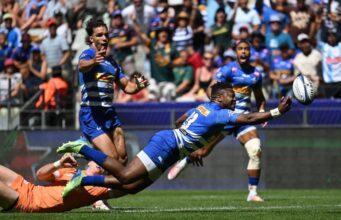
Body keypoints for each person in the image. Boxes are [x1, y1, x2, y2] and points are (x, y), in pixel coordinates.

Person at [56, 82, 291, 198]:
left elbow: (181, 120)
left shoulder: (204, 107)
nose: (235, 97)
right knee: (126, 175)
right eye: (231, 94)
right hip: (167, 145)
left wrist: (190, 144)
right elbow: (249, 116)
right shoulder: (220, 112)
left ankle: (82, 180)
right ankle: (83, 149)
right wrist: (276, 112)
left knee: (132, 187)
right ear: (219, 97)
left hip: (172, 146)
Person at [168, 40, 268, 202]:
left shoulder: (256, 75)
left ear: (250, 52)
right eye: (240, 49)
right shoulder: (228, 70)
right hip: (225, 118)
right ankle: (184, 160)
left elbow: (259, 97)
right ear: (236, 52)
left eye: (246, 49)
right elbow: (211, 88)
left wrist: (262, 112)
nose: (243, 52)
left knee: (255, 150)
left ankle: (252, 193)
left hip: (244, 120)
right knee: (202, 152)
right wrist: (216, 107)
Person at [77, 18, 149, 165]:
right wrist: (93, 62)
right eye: (99, 35)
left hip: (108, 113)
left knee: (122, 159)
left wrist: (138, 87)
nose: (104, 38)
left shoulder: (112, 63)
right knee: (113, 160)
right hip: (91, 113)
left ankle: (104, 177)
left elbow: (127, 87)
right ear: (91, 38)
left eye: (106, 35)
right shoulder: (89, 54)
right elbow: (81, 66)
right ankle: (83, 148)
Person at [0, 153, 126, 212]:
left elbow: (127, 185)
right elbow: (40, 175)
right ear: (89, 162)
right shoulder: (69, 170)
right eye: (98, 160)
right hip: (28, 187)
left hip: (27, 202)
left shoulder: (97, 188)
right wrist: (59, 163)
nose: (101, 164)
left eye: (104, 164)